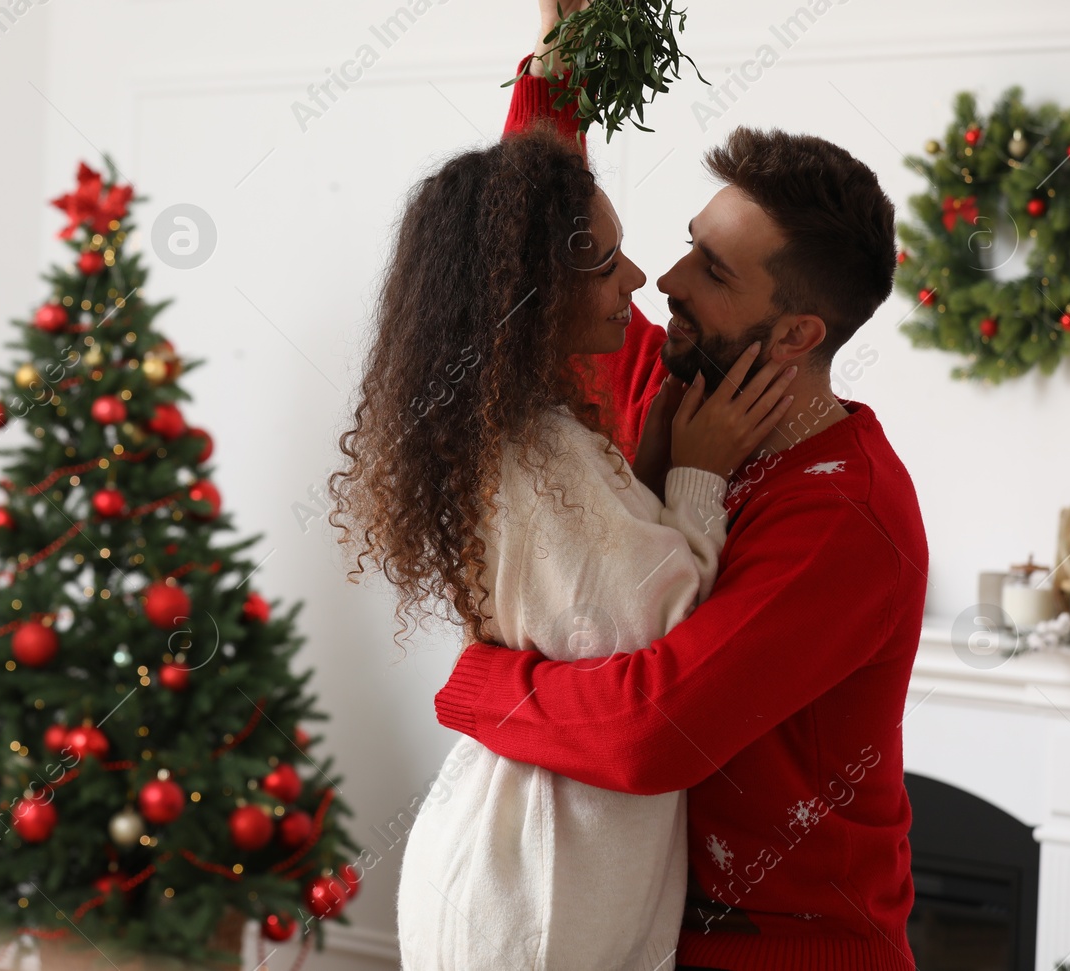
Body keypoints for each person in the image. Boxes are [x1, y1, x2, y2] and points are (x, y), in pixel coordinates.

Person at [431, 0, 930, 971]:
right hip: (651, 930)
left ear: (797, 333)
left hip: (782, 952)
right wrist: (560, 59)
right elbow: (545, 283)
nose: (662, 281)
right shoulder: (676, 380)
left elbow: (653, 729)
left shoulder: (847, 514)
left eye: (710, 265)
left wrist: (478, 688)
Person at [327, 126, 797, 968]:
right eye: (605, 262)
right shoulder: (535, 451)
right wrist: (697, 475)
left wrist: (650, 463)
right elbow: (661, 635)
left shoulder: (522, 433)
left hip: (528, 870)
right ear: (533, 288)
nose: (639, 279)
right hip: (535, 895)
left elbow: (594, 593)